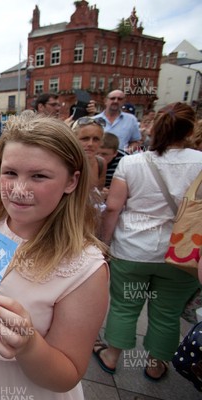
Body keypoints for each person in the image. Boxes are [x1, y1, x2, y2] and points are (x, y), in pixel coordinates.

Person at [0, 114, 108, 399]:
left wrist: (29, 346)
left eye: (39, 176)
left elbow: (68, 372)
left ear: (71, 181)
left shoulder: (85, 267)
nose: (18, 189)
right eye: (10, 172)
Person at [94, 102, 202, 382]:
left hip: (132, 249)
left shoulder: (131, 162)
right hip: (182, 251)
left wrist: (104, 243)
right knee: (168, 312)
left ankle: (112, 356)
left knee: (124, 305)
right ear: (191, 129)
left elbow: (114, 207)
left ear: (155, 128)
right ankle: (155, 364)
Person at [71, 117, 107, 190]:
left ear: (101, 142)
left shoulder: (101, 164)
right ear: (73, 139)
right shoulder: (64, 162)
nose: (90, 144)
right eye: (85, 139)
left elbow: (97, 193)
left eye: (96, 139)